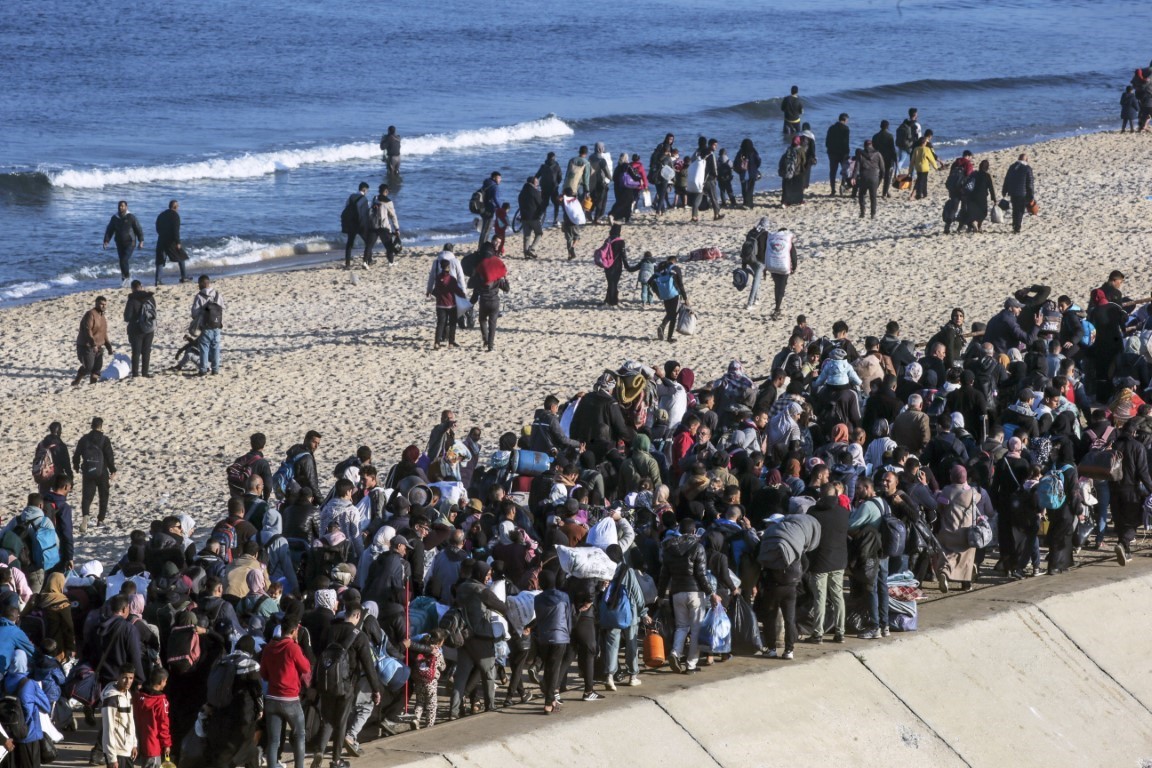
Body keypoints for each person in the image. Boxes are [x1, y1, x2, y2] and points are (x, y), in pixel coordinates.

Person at [658, 519, 721, 674]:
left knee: (681, 627)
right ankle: (691, 664)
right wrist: (711, 593)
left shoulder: (669, 548)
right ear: (694, 531)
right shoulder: (698, 547)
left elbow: (664, 575)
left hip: (677, 593)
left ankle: (675, 653)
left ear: (679, 530)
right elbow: (701, 574)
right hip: (695, 593)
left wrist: (660, 595)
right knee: (696, 629)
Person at [260, 617, 310, 768]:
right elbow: (306, 668)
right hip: (290, 700)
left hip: (271, 699)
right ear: (294, 631)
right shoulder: (293, 648)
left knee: (273, 741)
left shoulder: (268, 648)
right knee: (299, 736)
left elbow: (264, 674)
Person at [534, 570, 570, 714]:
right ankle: (549, 702)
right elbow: (568, 617)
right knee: (554, 668)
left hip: (544, 637)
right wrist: (568, 634)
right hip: (560, 636)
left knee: (549, 668)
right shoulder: (564, 596)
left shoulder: (537, 599)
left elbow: (538, 618)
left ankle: (551, 698)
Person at [73, 417, 116, 530]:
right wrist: (112, 469)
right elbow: (109, 456)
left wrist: (76, 466)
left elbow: (76, 455)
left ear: (91, 426)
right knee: (103, 496)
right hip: (102, 472)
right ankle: (100, 520)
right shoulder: (104, 439)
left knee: (87, 496)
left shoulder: (84, 439)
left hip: (88, 471)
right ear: (101, 426)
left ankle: (85, 516)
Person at [468, 244, 509, 352]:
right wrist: (505, 278)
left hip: (484, 301)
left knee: (482, 320)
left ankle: (485, 340)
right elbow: (506, 289)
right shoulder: (497, 277)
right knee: (493, 324)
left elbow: (472, 286)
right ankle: (490, 346)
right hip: (495, 301)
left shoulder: (480, 275)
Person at [133, 667, 172, 768]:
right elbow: (163, 724)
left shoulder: (138, 697)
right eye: (166, 681)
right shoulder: (160, 701)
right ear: (162, 681)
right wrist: (166, 744)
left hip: (140, 743)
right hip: (153, 746)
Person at [101, 664, 137, 768]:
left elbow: (131, 722)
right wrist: (112, 758)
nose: (128, 681)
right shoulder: (111, 699)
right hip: (117, 751)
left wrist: (134, 744)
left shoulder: (127, 694)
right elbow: (108, 729)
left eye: (131, 678)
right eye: (125, 677)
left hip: (127, 749)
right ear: (118, 677)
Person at [73, 296, 113, 386]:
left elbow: (103, 333)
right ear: (96, 303)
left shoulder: (102, 317)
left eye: (105, 304)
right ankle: (76, 381)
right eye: (101, 304)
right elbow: (87, 330)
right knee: (88, 367)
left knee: (97, 368)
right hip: (86, 346)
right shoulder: (90, 314)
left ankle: (92, 384)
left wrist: (108, 346)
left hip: (98, 346)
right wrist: (93, 344)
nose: (103, 306)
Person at [103, 201, 145, 287]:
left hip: (130, 242)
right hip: (119, 243)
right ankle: (124, 279)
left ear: (126, 207)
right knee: (121, 261)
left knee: (124, 260)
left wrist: (141, 240)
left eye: (122, 206)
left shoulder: (131, 217)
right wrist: (106, 241)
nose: (120, 207)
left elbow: (138, 228)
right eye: (119, 206)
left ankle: (127, 278)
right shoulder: (114, 218)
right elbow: (110, 230)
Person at [648, 254, 687, 343]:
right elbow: (680, 284)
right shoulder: (675, 269)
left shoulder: (660, 269)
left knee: (670, 313)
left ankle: (663, 328)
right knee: (673, 315)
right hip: (674, 294)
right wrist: (685, 298)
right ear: (674, 261)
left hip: (664, 295)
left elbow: (649, 281)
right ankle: (667, 335)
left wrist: (657, 292)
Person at [190, 275, 224, 376]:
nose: (198, 286)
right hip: (217, 325)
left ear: (202, 284)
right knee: (216, 347)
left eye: (198, 284)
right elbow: (222, 308)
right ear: (209, 283)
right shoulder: (217, 294)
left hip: (205, 326)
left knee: (204, 347)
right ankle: (215, 369)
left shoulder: (199, 296)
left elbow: (194, 313)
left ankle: (203, 369)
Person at [122, 280, 156, 378]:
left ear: (132, 288)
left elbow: (127, 317)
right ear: (141, 286)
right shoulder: (150, 297)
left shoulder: (132, 300)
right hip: (149, 327)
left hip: (136, 329)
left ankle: (135, 374)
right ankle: (145, 373)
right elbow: (153, 311)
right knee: (146, 351)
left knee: (136, 352)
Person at [764, 226, 798, 321]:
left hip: (773, 267)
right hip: (783, 268)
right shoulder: (787, 241)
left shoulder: (772, 239)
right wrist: (794, 267)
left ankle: (777, 307)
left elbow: (766, 253)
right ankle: (777, 309)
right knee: (781, 288)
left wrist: (766, 267)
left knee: (777, 286)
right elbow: (793, 255)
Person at [430, 259, 466, 349]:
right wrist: (463, 296)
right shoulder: (451, 279)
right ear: (448, 267)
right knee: (452, 324)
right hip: (451, 304)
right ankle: (451, 343)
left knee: (440, 324)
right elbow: (457, 290)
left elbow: (436, 290)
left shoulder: (438, 278)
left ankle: (437, 342)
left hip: (440, 304)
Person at [365, 183, 400, 266]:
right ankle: (391, 262)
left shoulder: (375, 198)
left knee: (369, 245)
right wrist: (397, 228)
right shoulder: (389, 202)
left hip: (373, 226)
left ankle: (365, 261)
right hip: (384, 226)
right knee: (388, 245)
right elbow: (393, 216)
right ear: (386, 191)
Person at [154, 200, 188, 286]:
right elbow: (176, 230)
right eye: (178, 206)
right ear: (175, 206)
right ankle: (184, 277)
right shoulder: (175, 216)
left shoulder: (161, 215)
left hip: (161, 239)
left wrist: (161, 234)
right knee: (181, 257)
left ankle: (158, 280)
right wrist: (178, 242)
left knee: (160, 260)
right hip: (171, 241)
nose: (178, 208)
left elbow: (157, 227)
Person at [1001, 153, 1036, 234]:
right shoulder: (1027, 168)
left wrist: (1004, 190)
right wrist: (1031, 195)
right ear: (1026, 160)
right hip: (1022, 193)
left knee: (1015, 209)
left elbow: (1007, 179)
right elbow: (1030, 183)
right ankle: (1017, 227)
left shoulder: (1012, 167)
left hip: (1012, 192)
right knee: (1020, 210)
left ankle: (1015, 225)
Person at [600, 223, 631, 307]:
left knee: (610, 282)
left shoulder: (608, 240)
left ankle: (608, 299)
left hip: (607, 264)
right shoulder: (621, 241)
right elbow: (623, 255)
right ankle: (613, 301)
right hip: (617, 265)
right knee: (614, 282)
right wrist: (627, 265)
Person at [963, 160, 998, 232]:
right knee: (983, 212)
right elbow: (991, 188)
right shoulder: (987, 176)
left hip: (972, 196)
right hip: (982, 196)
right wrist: (994, 198)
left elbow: (968, 183)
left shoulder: (974, 174)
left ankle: (973, 222)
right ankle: (979, 226)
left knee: (972, 211)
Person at [855, 139, 884, 219]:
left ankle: (862, 212)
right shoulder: (878, 154)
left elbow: (857, 167)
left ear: (864, 146)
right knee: (873, 196)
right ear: (872, 146)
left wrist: (853, 177)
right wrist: (880, 179)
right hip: (874, 177)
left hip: (864, 177)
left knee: (861, 194)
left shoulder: (861, 154)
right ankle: (873, 214)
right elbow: (882, 169)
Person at [517, 175, 544, 258]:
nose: (537, 184)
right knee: (539, 233)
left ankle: (526, 254)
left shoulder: (522, 192)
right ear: (533, 183)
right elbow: (541, 204)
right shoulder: (535, 192)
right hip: (534, 217)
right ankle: (532, 249)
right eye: (536, 182)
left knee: (527, 236)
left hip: (524, 217)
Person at [909, 134, 941, 200]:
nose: (926, 143)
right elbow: (931, 159)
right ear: (924, 143)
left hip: (918, 167)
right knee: (923, 180)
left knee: (920, 179)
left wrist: (910, 169)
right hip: (925, 167)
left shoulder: (916, 149)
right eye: (926, 142)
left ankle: (924, 193)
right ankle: (920, 194)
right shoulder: (927, 149)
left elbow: (912, 160)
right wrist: (936, 167)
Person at [825, 113, 851, 195]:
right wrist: (847, 153)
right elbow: (846, 142)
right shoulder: (846, 129)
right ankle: (842, 186)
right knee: (844, 170)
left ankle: (833, 189)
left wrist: (829, 149)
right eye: (847, 120)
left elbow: (827, 142)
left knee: (832, 171)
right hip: (842, 153)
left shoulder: (831, 128)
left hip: (832, 153)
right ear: (845, 120)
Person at [536, 152, 563, 225]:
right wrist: (556, 184)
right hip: (554, 188)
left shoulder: (543, 166)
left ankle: (539, 218)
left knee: (544, 203)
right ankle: (555, 220)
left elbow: (537, 176)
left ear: (547, 158)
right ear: (554, 158)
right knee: (556, 204)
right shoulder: (557, 166)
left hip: (544, 188)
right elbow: (560, 178)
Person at [872, 120, 898, 198]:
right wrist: (895, 159)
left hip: (878, 158)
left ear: (880, 126)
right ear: (887, 127)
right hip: (888, 158)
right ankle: (884, 193)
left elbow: (873, 149)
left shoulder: (875, 136)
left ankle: (873, 190)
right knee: (887, 176)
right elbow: (892, 149)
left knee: (879, 175)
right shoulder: (890, 136)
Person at [733, 138, 761, 210]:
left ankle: (745, 203)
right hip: (752, 173)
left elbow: (735, 163)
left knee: (744, 189)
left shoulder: (740, 152)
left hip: (743, 173)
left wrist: (738, 171)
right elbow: (758, 161)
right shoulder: (753, 152)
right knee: (750, 189)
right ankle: (749, 204)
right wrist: (755, 168)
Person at [779, 136, 806, 207]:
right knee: (798, 187)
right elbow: (804, 161)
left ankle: (785, 202)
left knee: (787, 187)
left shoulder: (789, 149)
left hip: (788, 171)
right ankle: (799, 200)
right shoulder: (801, 149)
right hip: (798, 171)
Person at [478, 171, 503, 247]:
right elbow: (496, 198)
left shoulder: (486, 184)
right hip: (489, 209)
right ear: (494, 178)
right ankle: (482, 247)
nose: (500, 180)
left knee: (484, 229)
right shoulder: (494, 186)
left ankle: (481, 246)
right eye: (499, 178)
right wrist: (501, 208)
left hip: (482, 208)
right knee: (486, 230)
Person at [895, 108, 922, 175]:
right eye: (916, 113)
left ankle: (895, 173)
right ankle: (912, 175)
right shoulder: (917, 125)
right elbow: (919, 136)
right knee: (913, 161)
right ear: (915, 114)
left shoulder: (904, 123)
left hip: (903, 144)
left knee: (901, 161)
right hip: (912, 145)